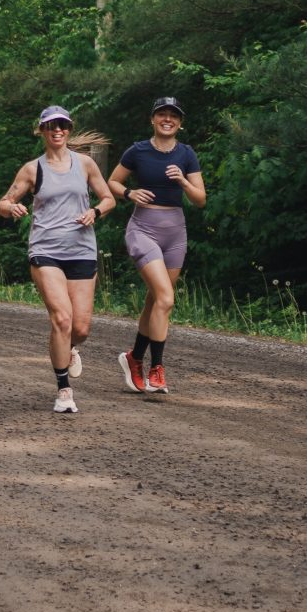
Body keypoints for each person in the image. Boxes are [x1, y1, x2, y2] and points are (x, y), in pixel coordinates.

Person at [0, 105, 115, 414]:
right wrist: (12, 208)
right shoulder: (32, 169)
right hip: (45, 251)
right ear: (42, 131)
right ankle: (64, 389)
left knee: (81, 327)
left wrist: (96, 211)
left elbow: (109, 198)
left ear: (69, 129)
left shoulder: (85, 164)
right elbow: (3, 203)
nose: (57, 130)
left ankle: (70, 348)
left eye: (62, 125)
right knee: (61, 319)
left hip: (81, 250)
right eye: (51, 126)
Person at [107, 97, 207, 395]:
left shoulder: (187, 154)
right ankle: (157, 368)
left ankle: (134, 357)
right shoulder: (138, 150)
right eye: (162, 114)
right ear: (152, 119)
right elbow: (111, 181)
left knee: (155, 301)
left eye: (173, 116)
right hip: (143, 229)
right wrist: (129, 192)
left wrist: (184, 182)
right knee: (166, 298)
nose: (167, 119)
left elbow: (200, 199)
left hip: (175, 232)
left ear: (180, 122)